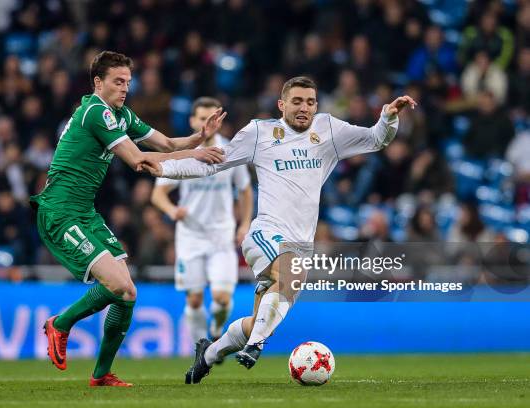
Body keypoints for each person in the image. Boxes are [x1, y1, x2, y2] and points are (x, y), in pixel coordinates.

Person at [143, 76, 416, 383]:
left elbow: (375, 139)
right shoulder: (259, 132)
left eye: (310, 102)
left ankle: (208, 353)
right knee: (287, 277)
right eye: (297, 101)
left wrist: (388, 117)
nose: (304, 108)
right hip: (265, 233)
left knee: (260, 319)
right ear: (281, 104)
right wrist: (164, 166)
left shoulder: (328, 129)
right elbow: (212, 164)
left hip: (302, 242)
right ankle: (256, 346)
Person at [31, 51, 226, 387]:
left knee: (127, 294)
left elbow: (164, 142)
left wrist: (198, 137)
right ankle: (60, 324)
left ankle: (101, 374)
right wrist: (195, 154)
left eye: (127, 82)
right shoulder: (96, 112)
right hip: (60, 211)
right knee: (118, 285)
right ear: (98, 82)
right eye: (118, 82)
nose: (124, 88)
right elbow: (139, 161)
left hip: (84, 212)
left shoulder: (120, 114)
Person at [151, 97, 253, 345]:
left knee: (221, 298)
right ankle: (200, 348)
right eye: (201, 118)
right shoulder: (184, 154)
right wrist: (172, 211)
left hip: (221, 235)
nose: (207, 123)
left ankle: (217, 329)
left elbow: (245, 190)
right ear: (193, 121)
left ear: (219, 121)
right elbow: (158, 194)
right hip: (190, 236)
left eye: (212, 118)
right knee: (194, 299)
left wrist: (245, 223)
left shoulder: (231, 151)